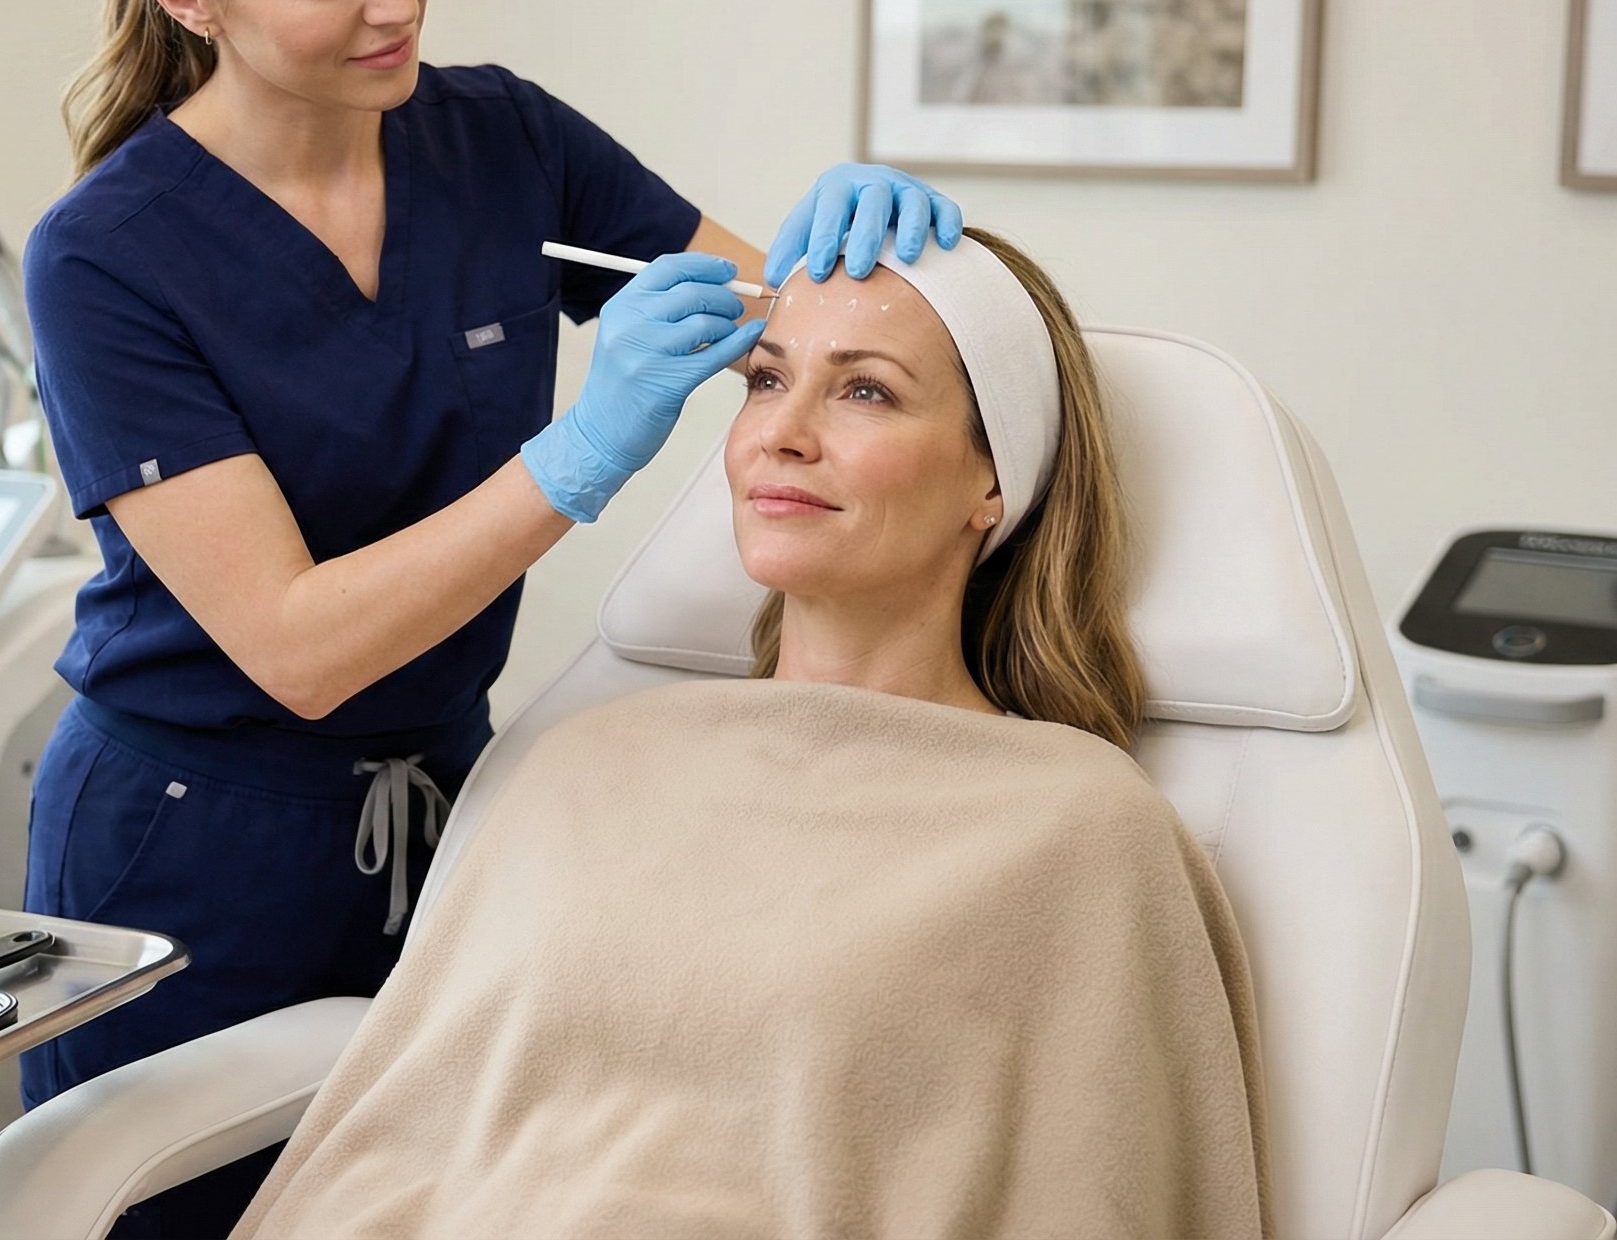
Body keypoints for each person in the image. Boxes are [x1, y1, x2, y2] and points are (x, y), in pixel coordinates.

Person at [20, 0, 965, 1232]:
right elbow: (300, 648)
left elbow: (789, 324)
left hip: (457, 807)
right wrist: (581, 453)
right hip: (192, 842)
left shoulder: (503, 141)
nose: (395, 0)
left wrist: (896, 265)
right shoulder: (108, 259)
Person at [234, 229, 1272, 1238]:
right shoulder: (582, 764)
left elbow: (1100, 1194)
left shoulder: (1078, 831)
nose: (780, 432)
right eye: (765, 380)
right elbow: (411, 1131)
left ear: (990, 484)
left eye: (865, 390)